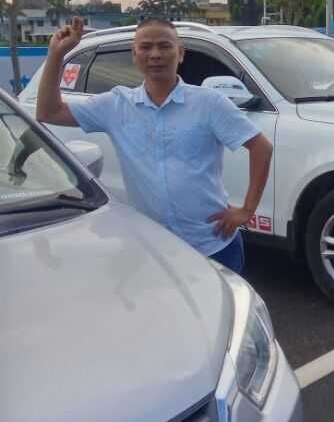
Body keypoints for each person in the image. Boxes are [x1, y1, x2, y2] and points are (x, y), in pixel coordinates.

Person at [36, 16, 273, 275]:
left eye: (164, 46)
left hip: (213, 245)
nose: (155, 55)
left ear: (180, 53)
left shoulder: (209, 103)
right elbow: (49, 112)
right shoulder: (116, 105)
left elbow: (261, 148)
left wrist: (247, 210)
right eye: (146, 47)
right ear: (134, 55)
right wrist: (56, 54)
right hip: (154, 250)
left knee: (225, 303)